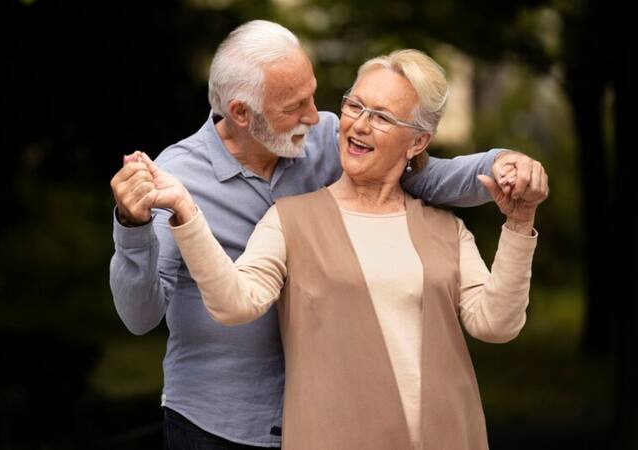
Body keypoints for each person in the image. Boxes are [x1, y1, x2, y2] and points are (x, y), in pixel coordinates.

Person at [109, 21, 542, 450]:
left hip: (327, 418)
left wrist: (501, 165)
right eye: (295, 106)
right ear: (241, 113)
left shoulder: (325, 142)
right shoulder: (178, 176)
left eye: (315, 96)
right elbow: (141, 315)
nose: (317, 117)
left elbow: (422, 176)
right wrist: (133, 227)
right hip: (218, 424)